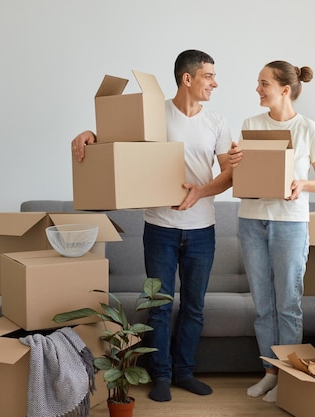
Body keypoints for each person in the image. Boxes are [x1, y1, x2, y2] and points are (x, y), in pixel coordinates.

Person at [72, 50, 233, 402]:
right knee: (158, 304)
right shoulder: (155, 114)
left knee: (194, 305)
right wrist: (88, 133)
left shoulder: (217, 122)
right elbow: (115, 140)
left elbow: (228, 175)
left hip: (202, 229)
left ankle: (184, 372)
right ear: (187, 78)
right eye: (209, 76)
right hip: (160, 227)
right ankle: (160, 375)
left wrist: (200, 192)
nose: (215, 83)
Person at [227, 60, 315, 402]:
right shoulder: (251, 124)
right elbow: (243, 173)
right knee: (263, 304)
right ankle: (270, 373)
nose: (257, 89)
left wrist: (302, 183)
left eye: (263, 84)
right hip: (252, 220)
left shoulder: (308, 129)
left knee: (287, 303)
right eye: (258, 83)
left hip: (290, 223)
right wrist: (234, 161)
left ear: (284, 90)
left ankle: (289, 377)